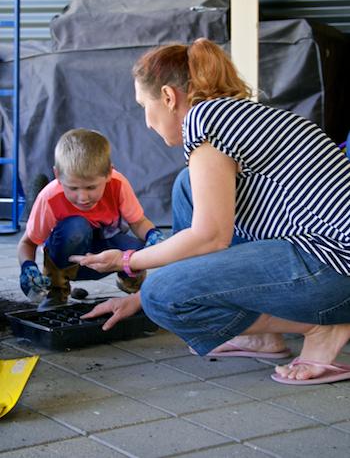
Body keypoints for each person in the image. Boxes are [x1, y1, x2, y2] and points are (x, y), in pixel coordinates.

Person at [71, 38, 350, 385]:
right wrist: (138, 298)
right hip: (327, 257)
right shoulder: (236, 113)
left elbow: (210, 237)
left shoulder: (205, 121)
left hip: (336, 270)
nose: (145, 121)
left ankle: (321, 326)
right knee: (187, 186)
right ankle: (260, 335)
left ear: (170, 97)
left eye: (144, 105)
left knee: (164, 295)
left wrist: (126, 262)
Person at [18, 128, 164, 310]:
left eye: (91, 187)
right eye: (73, 188)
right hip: (68, 258)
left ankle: (131, 282)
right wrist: (27, 267)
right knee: (76, 226)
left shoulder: (118, 184)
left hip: (106, 253)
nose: (83, 197)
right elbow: (27, 242)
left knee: (139, 250)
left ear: (109, 173)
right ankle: (57, 290)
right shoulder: (49, 197)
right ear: (57, 176)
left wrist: (153, 234)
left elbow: (138, 222)